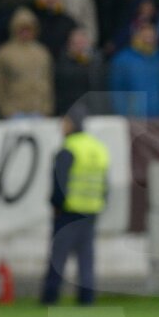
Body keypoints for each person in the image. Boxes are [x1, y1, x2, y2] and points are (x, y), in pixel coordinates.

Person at [41, 109, 109, 306]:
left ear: (71, 124)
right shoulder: (98, 148)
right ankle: (87, 298)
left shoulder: (69, 148)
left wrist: (56, 204)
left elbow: (60, 182)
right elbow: (105, 183)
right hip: (91, 210)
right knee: (86, 257)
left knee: (58, 257)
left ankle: (50, 296)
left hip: (69, 211)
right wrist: (100, 203)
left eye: (64, 123)